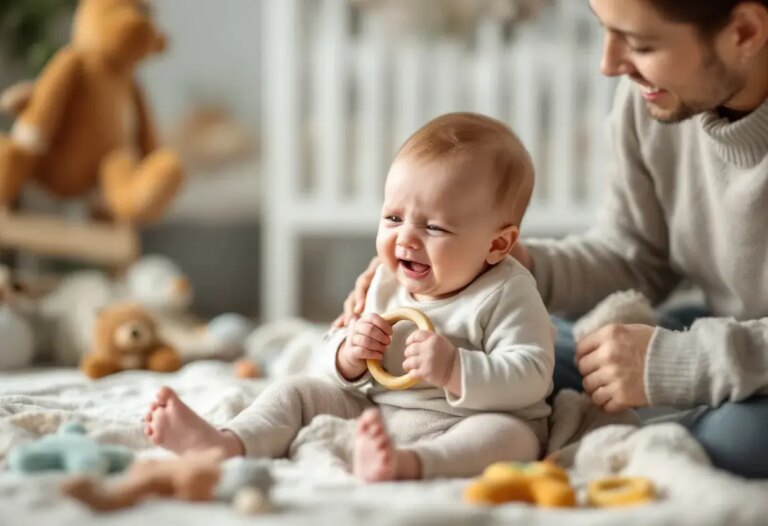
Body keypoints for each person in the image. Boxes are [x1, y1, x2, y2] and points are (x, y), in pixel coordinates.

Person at [337, 0, 768, 479]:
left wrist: (683, 363)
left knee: (738, 442)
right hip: (725, 326)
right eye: (605, 31)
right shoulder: (652, 99)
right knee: (539, 347)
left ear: (745, 33)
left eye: (641, 44)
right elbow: (634, 256)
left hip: (738, 350)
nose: (609, 65)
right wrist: (485, 272)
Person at [144, 113, 554, 482]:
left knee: (510, 439)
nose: (405, 238)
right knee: (298, 391)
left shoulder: (507, 292)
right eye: (393, 218)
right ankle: (226, 442)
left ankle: (407, 463)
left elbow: (532, 375)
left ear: (498, 244)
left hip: (465, 420)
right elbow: (333, 358)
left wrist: (455, 369)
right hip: (378, 412)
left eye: (435, 228)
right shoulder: (387, 282)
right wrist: (348, 355)